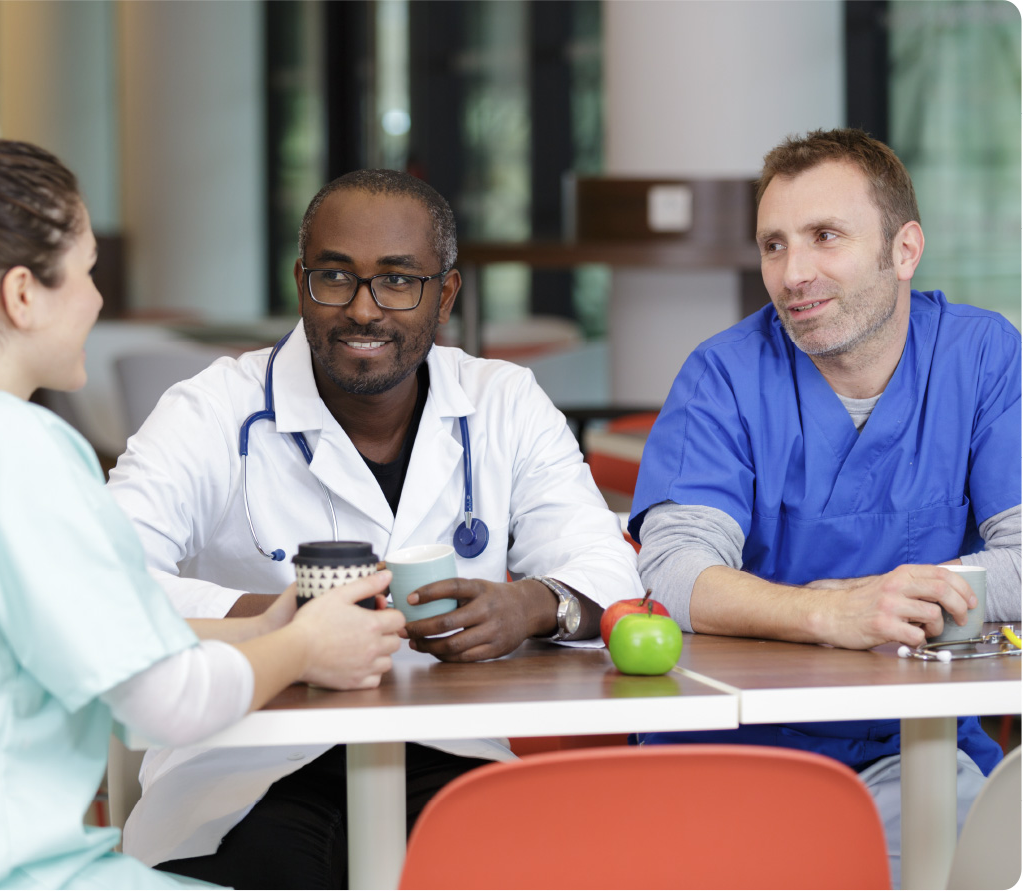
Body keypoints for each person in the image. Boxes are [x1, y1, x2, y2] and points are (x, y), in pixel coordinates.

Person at [107, 168, 642, 888]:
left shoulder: (502, 403)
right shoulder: (211, 410)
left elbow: (604, 563)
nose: (364, 309)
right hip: (243, 760)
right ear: (301, 283)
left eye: (397, 281)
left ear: (444, 294)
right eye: (335, 277)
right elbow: (104, 578)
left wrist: (531, 603)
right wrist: (278, 624)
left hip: (446, 753)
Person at [0, 136, 405, 891]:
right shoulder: (22, 451)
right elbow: (166, 699)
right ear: (22, 294)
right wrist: (303, 649)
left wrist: (264, 628)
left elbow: (78, 625)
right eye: (87, 271)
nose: (99, 300)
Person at [629, 128, 1021, 887]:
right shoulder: (724, 374)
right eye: (773, 245)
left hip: (919, 745)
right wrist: (831, 613)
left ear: (904, 250)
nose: (793, 273)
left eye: (825, 237)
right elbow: (676, 571)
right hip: (732, 745)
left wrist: (897, 597)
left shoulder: (983, 357)